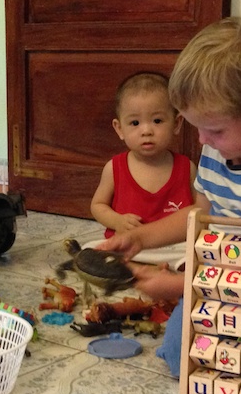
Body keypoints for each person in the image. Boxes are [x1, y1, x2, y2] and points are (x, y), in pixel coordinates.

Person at [98, 17, 241, 376]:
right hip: (224, 276)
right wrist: (138, 238)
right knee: (179, 359)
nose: (203, 141)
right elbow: (200, 213)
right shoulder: (218, 149)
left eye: (215, 130)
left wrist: (179, 285)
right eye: (196, 127)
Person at [87, 72, 203, 266]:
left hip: (172, 247)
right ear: (119, 129)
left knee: (193, 254)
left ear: (176, 123)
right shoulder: (114, 168)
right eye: (135, 123)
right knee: (91, 249)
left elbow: (199, 211)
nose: (146, 130)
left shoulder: (186, 168)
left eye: (157, 121)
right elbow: (97, 205)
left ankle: (175, 267)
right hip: (128, 244)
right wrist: (117, 221)